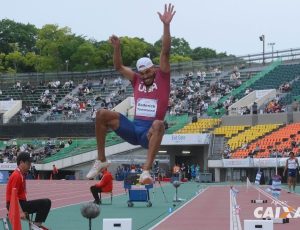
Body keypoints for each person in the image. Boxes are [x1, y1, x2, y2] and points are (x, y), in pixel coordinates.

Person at [86, 4, 176, 185]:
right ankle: (101, 159)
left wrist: (166, 25)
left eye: (148, 72)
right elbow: (118, 67)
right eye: (142, 73)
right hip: (133, 128)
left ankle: (146, 171)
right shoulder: (136, 80)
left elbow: (165, 51)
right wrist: (117, 47)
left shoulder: (163, 76)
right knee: (102, 114)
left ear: (153, 68)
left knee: (159, 124)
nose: (145, 76)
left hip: (148, 134)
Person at [6, 152, 51, 228]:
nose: (29, 166)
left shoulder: (21, 174)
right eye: (28, 163)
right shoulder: (16, 175)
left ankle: (36, 226)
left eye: (30, 163)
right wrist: (20, 212)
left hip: (20, 203)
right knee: (45, 203)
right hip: (13, 204)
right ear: (21, 162)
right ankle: (36, 226)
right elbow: (14, 196)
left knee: (44, 203)